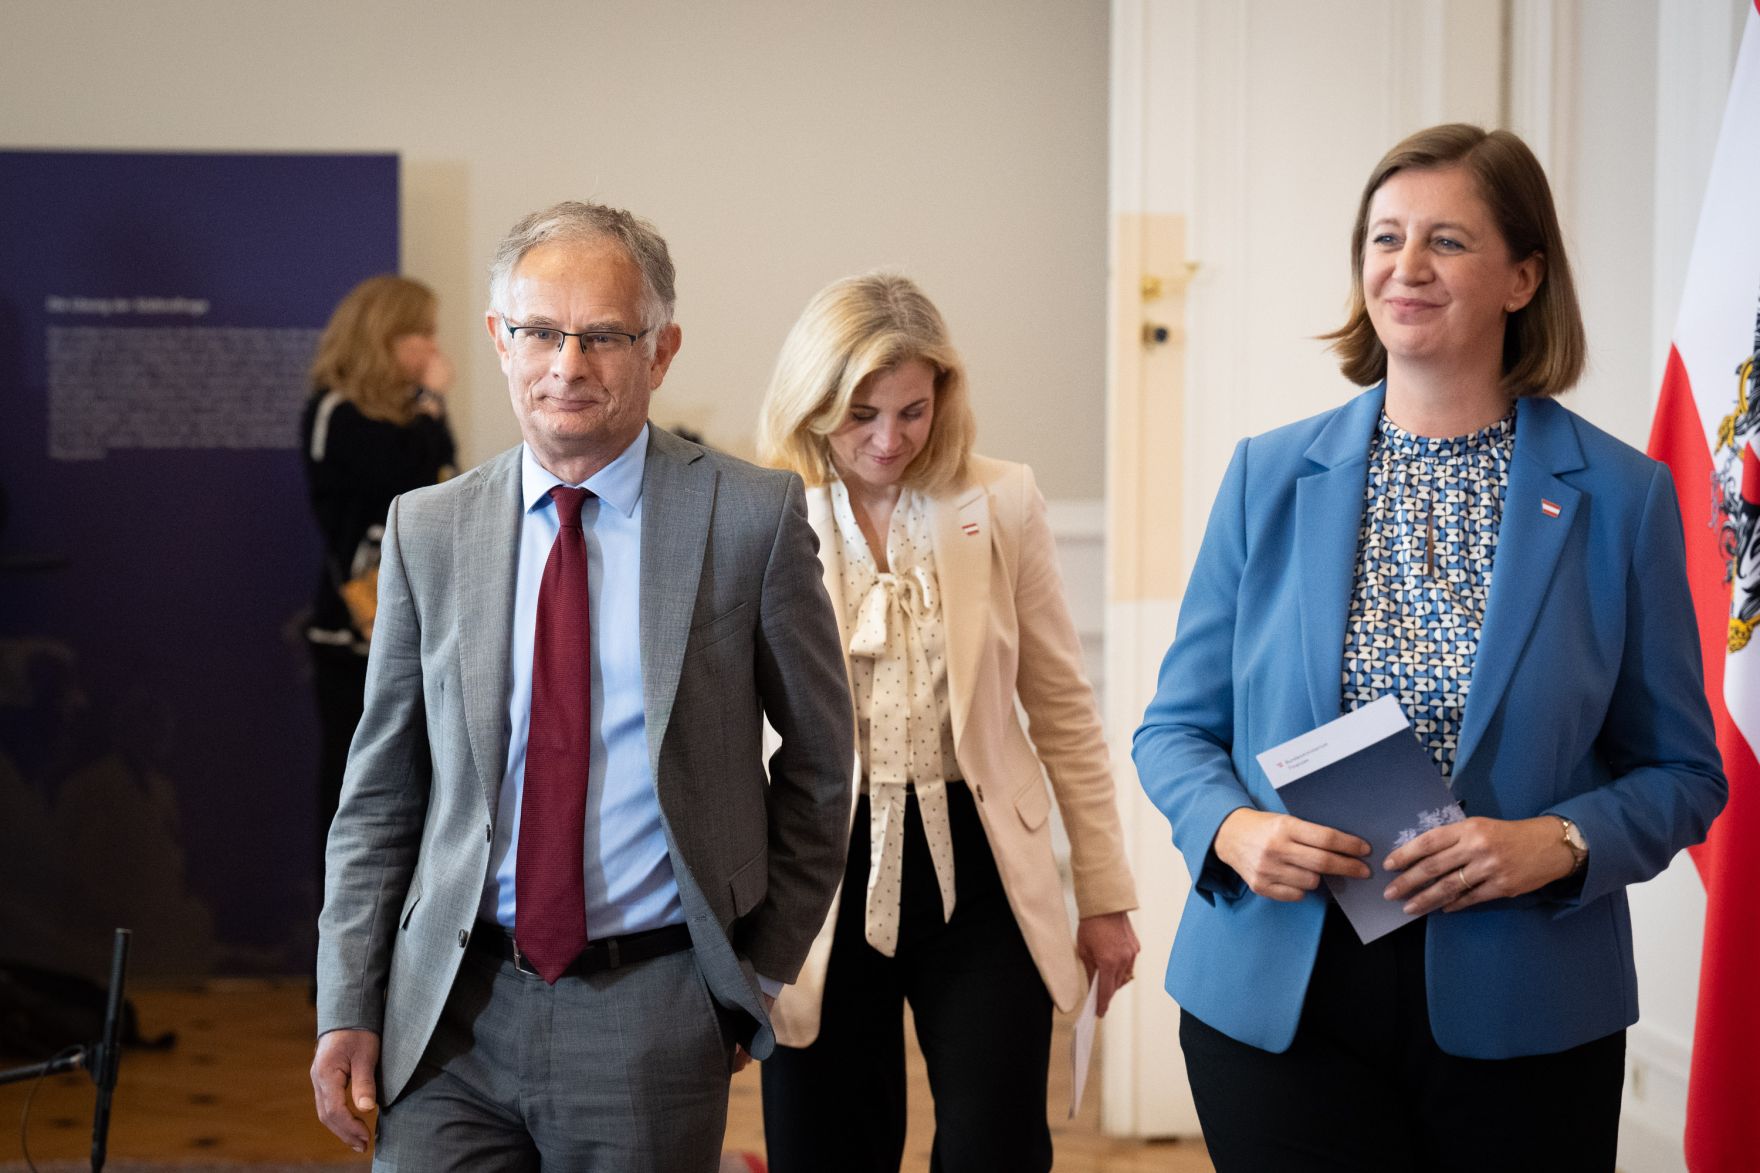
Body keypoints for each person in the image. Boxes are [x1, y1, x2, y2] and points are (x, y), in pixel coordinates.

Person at [1132, 123, 1727, 1170]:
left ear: (1520, 276)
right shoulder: (1265, 477)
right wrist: (1231, 831)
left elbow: (1683, 774)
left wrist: (1557, 842)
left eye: (1445, 241)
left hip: (1524, 1004)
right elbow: (1174, 731)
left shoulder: (1622, 498)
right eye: (1383, 238)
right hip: (1279, 993)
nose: (1403, 268)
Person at [309, 201, 853, 1171]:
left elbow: (817, 767)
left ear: (661, 348)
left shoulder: (747, 519)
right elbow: (378, 798)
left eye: (603, 335)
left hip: (650, 1009)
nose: (568, 364)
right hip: (446, 1014)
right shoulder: (428, 530)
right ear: (497, 340)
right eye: (539, 332)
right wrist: (347, 1002)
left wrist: (754, 975)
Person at [755, 273, 1140, 1172]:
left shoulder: (1000, 501)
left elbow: (1064, 712)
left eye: (913, 411)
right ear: (814, 403)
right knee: (829, 1144)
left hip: (978, 859)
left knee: (997, 1145)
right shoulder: (762, 512)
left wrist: (1107, 892)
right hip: (821, 861)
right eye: (862, 414)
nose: (889, 440)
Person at [301, 275, 456, 907]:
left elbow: (441, 477)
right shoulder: (336, 410)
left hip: (413, 624)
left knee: (417, 793)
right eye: (420, 334)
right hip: (351, 632)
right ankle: (337, 964)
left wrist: (428, 408)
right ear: (383, 337)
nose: (430, 348)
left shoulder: (407, 414)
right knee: (351, 791)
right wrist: (430, 402)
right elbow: (409, 482)